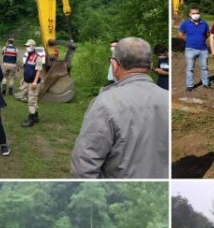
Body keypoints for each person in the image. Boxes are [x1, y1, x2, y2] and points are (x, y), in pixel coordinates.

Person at [70, 37, 168, 178]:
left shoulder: (105, 103)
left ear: (114, 64)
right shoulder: (167, 98)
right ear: (151, 64)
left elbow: (84, 165)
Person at [179, 7, 211, 91]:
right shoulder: (185, 23)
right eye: (193, 13)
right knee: (190, 68)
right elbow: (181, 35)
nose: (195, 15)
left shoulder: (204, 23)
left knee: (204, 68)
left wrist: (202, 40)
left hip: (203, 49)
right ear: (190, 14)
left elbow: (208, 34)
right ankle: (189, 85)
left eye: (197, 13)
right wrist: (189, 40)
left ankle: (205, 83)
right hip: (190, 49)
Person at [21, 39, 44, 127]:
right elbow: (27, 68)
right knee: (33, 99)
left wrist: (35, 81)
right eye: (26, 46)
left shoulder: (37, 57)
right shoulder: (29, 56)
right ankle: (35, 117)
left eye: (28, 45)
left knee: (31, 100)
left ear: (33, 46)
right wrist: (23, 78)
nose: (27, 47)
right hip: (28, 81)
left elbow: (39, 70)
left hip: (34, 83)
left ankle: (31, 120)